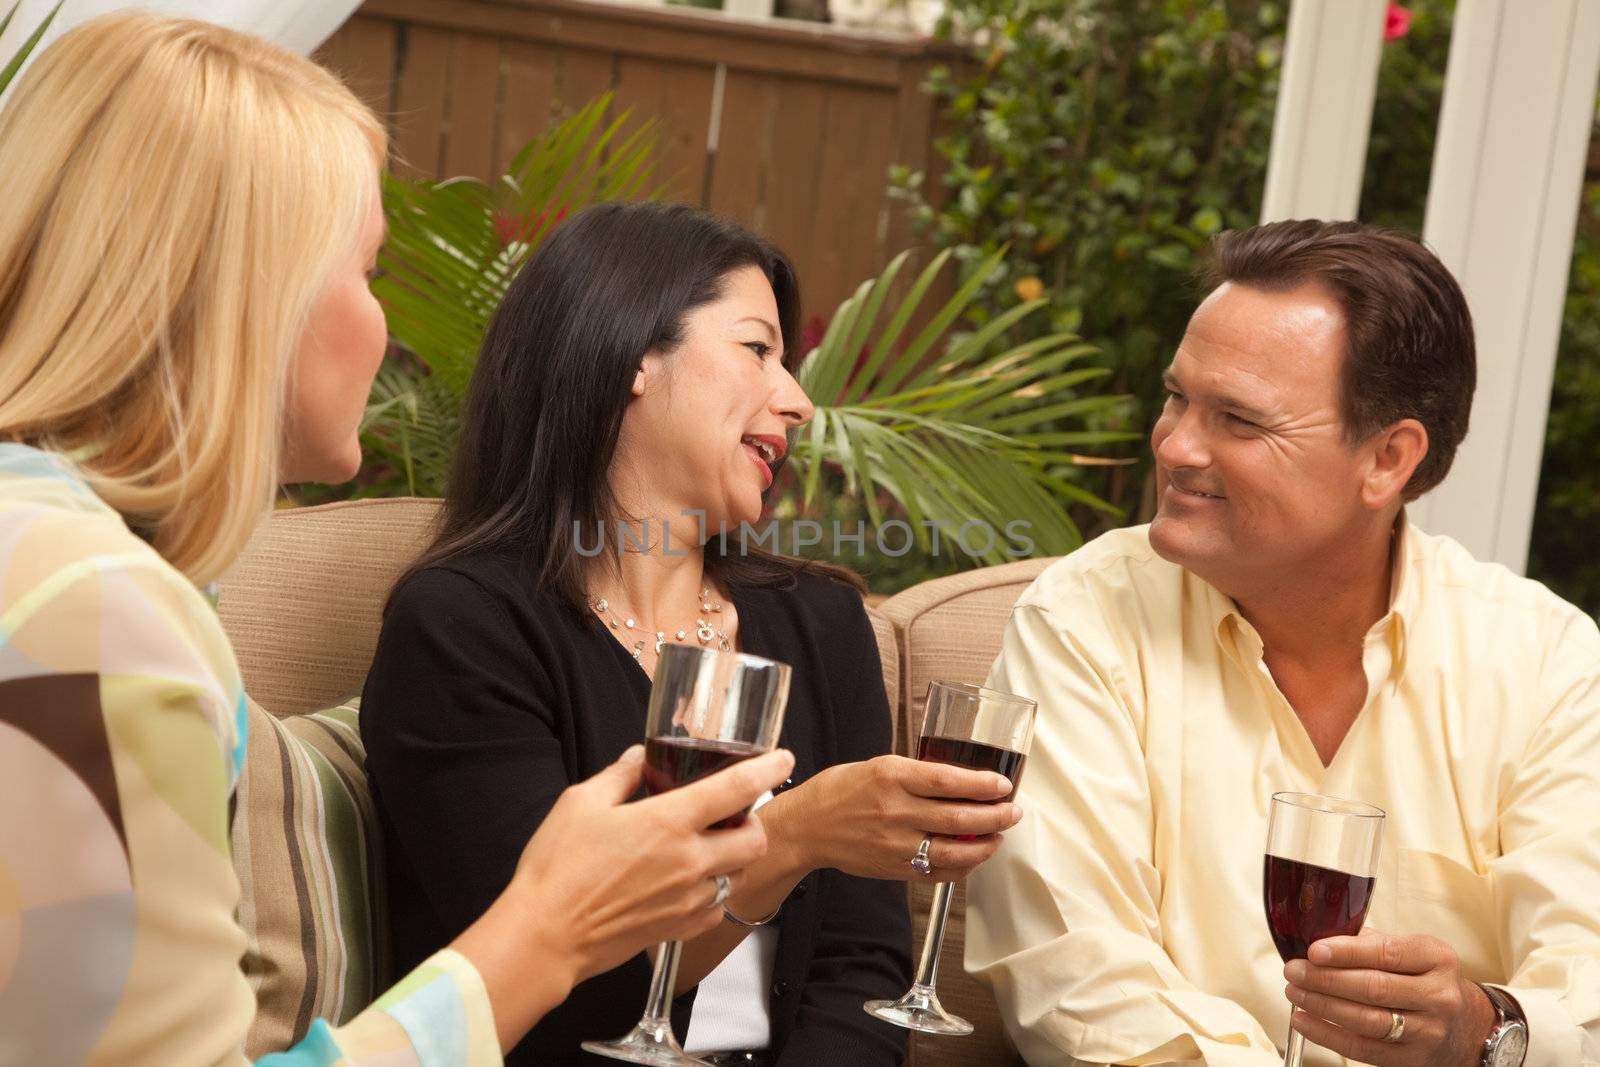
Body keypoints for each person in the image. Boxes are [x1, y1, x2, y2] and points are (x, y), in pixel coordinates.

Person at [0, 14, 791, 1064]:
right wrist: (548, 922)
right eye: (366, 270)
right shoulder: (90, 607)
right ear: (257, 287)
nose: (384, 326)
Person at [361, 200, 1026, 1066]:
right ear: (632, 352)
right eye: (758, 349)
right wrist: (789, 837)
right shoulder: (465, 626)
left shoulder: (822, 624)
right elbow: (550, 986)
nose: (797, 403)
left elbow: (862, 973)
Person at [966, 219, 1600, 1067]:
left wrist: (1483, 1032)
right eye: (1177, 396)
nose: (1176, 444)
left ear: (1388, 459)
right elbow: (1076, 990)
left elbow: (1586, 990)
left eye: (1238, 419)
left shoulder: (1544, 660)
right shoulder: (1086, 620)